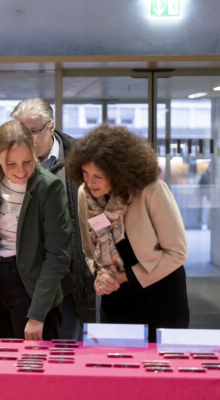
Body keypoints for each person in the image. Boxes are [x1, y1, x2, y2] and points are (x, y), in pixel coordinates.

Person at [0, 98, 95, 340]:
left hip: (51, 281)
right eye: (11, 164)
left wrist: (37, 312)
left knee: (49, 360)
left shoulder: (63, 171)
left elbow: (61, 249)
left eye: (32, 131)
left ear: (51, 127)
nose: (20, 169)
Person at [66, 124, 189, 343]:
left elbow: (177, 253)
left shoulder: (151, 188)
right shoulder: (85, 195)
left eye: (98, 176)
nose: (89, 182)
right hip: (116, 296)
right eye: (85, 173)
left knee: (161, 369)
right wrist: (101, 277)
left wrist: (125, 277)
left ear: (118, 172)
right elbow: (88, 250)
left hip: (160, 293)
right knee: (118, 366)